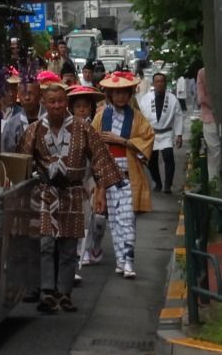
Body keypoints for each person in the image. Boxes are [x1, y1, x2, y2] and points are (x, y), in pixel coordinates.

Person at [18, 82, 123, 312]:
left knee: (68, 246)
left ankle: (64, 293)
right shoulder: (34, 130)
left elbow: (99, 158)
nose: (56, 106)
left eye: (60, 101)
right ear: (44, 104)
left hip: (74, 191)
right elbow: (21, 163)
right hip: (45, 192)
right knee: (46, 242)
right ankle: (46, 291)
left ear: (66, 103)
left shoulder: (82, 128)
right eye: (52, 102)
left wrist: (101, 190)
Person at [92, 71, 154, 278]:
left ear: (130, 94)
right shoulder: (100, 117)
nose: (120, 97)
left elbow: (147, 139)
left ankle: (128, 260)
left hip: (127, 174)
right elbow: (92, 145)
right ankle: (118, 259)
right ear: (109, 94)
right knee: (110, 221)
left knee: (126, 219)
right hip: (106, 176)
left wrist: (122, 141)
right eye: (116, 93)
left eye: (124, 93)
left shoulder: (137, 118)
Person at [68, 85, 109, 271]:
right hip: (76, 177)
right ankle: (80, 251)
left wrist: (98, 184)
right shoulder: (67, 127)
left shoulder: (97, 125)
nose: (82, 109)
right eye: (78, 106)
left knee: (99, 217)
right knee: (81, 217)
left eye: (86, 106)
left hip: (94, 175)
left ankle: (96, 245)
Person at [139, 71, 182, 193]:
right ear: (153, 83)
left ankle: (168, 184)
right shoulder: (146, 98)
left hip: (166, 133)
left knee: (169, 157)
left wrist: (179, 135)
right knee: (151, 161)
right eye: (157, 81)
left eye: (162, 81)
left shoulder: (173, 99)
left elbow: (178, 116)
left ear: (165, 83)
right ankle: (157, 182)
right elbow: (140, 117)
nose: (159, 84)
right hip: (151, 133)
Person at [195, 65, 221, 185]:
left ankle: (214, 185)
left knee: (214, 155)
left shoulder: (203, 72)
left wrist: (214, 106)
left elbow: (201, 98)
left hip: (210, 118)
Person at [1, 79, 43, 153]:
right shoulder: (11, 125)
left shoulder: (50, 118)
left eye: (31, 93)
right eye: (23, 94)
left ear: (40, 95)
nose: (27, 97)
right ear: (18, 96)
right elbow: (7, 157)